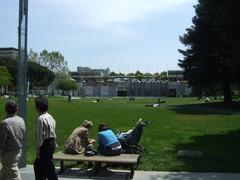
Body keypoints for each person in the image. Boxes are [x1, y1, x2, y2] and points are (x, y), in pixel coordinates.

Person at [0, 100, 26, 180]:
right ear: (17, 109)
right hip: (18, 150)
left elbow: (2, 141)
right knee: (5, 172)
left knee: (13, 173)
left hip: (8, 152)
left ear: (5, 109)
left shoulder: (5, 123)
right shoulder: (21, 120)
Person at [33, 97, 58, 180]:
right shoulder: (50, 117)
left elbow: (40, 136)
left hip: (45, 144)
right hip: (52, 142)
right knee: (40, 165)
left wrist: (38, 150)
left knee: (48, 168)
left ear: (38, 108)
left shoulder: (40, 119)